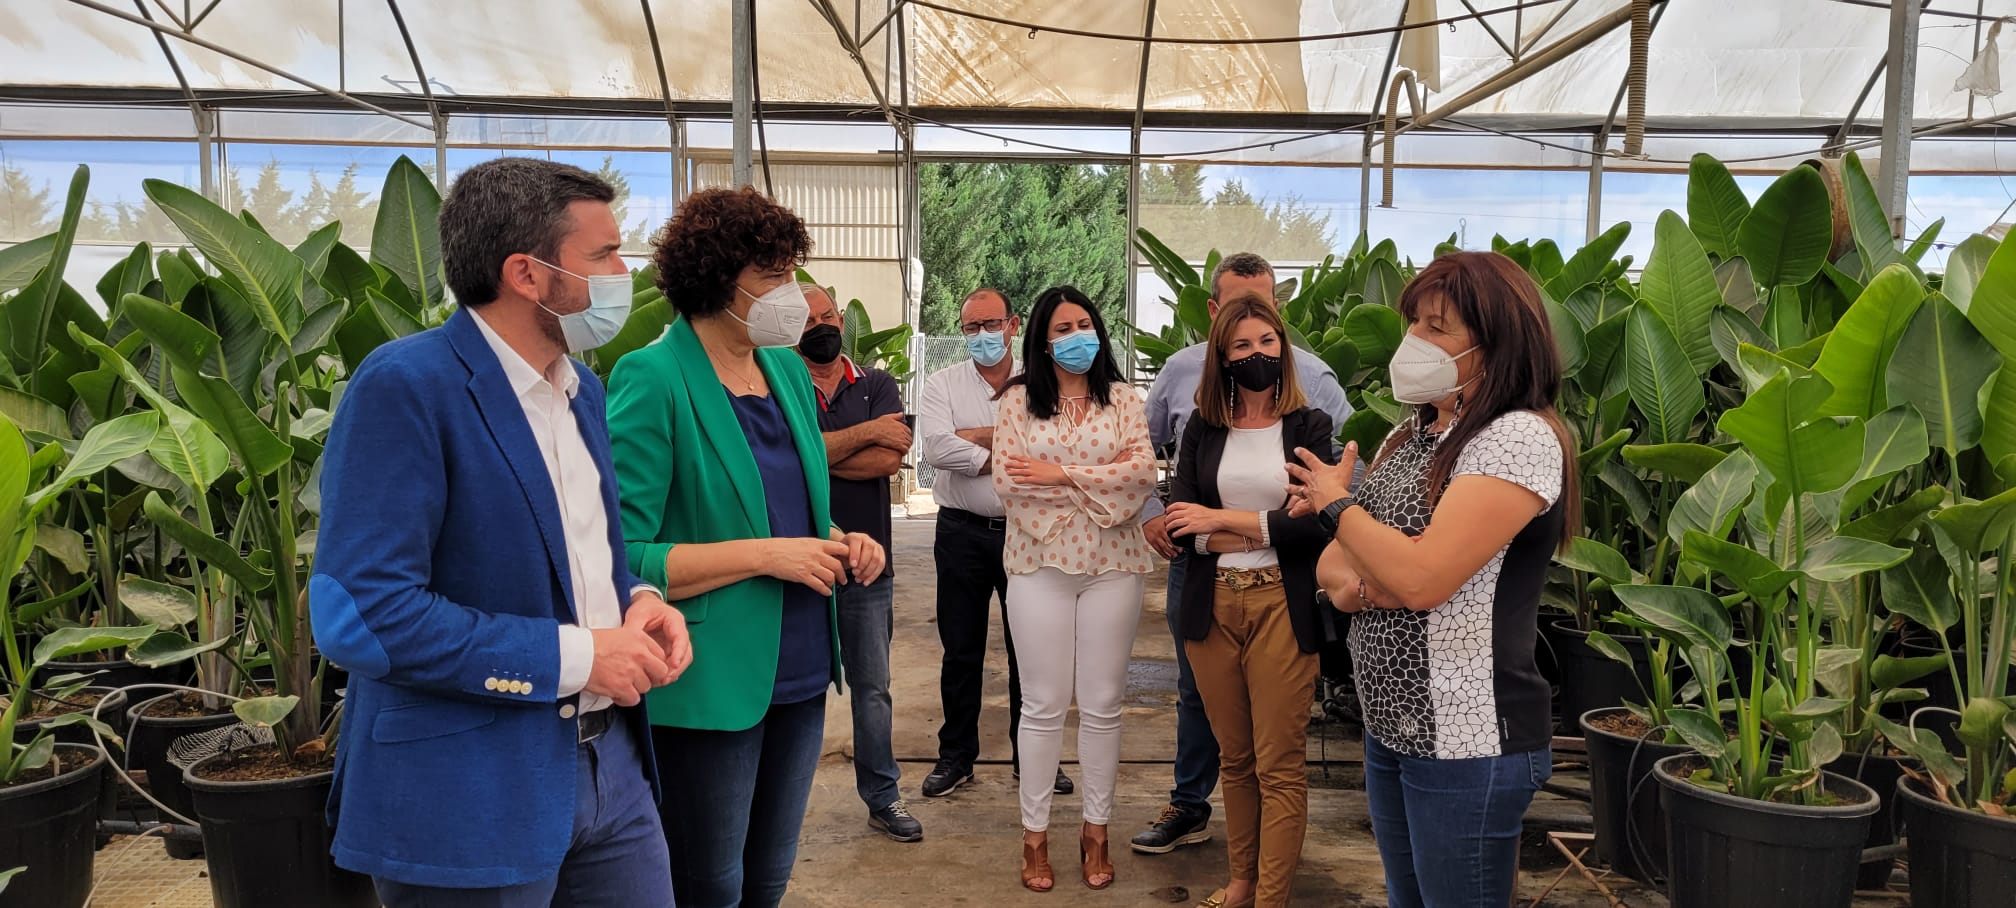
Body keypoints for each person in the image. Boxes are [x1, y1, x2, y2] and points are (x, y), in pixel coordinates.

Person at [311, 157, 690, 907]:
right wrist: (581, 655)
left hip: (608, 773)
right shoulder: (408, 386)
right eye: (603, 254)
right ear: (526, 272)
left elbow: (579, 554)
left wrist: (637, 600)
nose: (626, 273)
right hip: (467, 792)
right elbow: (364, 616)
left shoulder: (583, 394)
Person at [606, 187, 888, 908]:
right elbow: (623, 555)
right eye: (773, 276)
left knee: (766, 880)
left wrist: (838, 538)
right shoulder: (654, 377)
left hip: (798, 667)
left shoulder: (786, 369)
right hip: (708, 681)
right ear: (716, 278)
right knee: (710, 885)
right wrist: (767, 555)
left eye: (792, 272)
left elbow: (787, 508)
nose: (791, 294)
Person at [1286, 251, 1578, 908]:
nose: (1414, 339)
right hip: (1393, 729)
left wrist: (1338, 506)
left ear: (1496, 343)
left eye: (1436, 326)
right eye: (1413, 322)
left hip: (1468, 743)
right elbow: (1339, 563)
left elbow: (1419, 579)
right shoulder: (1414, 433)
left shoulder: (1516, 439)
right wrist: (1364, 581)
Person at [1134, 252, 1355, 857]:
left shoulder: (1315, 386)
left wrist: (1224, 523)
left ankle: (1269, 865)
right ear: (1214, 314)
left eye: (1266, 318)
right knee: (1196, 694)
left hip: (1283, 589)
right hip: (1202, 577)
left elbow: (1327, 500)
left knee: (1275, 737)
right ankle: (1189, 803)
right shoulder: (1183, 378)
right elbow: (1150, 460)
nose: (1254, 339)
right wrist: (1164, 518)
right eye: (1237, 318)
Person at [1162, 294, 1337, 908]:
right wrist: (1256, 525)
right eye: (1241, 346)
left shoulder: (1309, 427)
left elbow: (1316, 523)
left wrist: (1224, 521)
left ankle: (1272, 896)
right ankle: (1241, 881)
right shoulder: (1205, 429)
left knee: (1279, 764)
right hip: (1213, 607)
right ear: (1222, 355)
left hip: (1279, 607)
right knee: (1235, 759)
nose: (1256, 354)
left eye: (1267, 342)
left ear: (1282, 350)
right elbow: (1183, 524)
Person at [993, 286, 1156, 893]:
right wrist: (1095, 494)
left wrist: (1062, 474)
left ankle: (1097, 828)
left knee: (1103, 703)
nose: (1074, 336)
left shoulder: (1123, 399)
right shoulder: (1016, 403)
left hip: (1114, 566)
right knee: (1041, 705)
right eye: (1062, 328)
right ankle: (1033, 836)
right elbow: (1011, 483)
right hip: (1038, 567)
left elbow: (1141, 474)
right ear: (1041, 338)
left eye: (1084, 324)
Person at [917, 288, 1074, 801]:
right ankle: (956, 756)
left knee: (1029, 651)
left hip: (1028, 534)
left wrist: (980, 435)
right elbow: (938, 446)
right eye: (971, 327)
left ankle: (1033, 758)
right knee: (960, 650)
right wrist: (1013, 450)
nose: (982, 336)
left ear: (1013, 324)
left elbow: (1056, 447)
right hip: (960, 532)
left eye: (991, 324)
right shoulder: (941, 383)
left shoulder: (1044, 384)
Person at [793, 282, 922, 843]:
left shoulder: (876, 382)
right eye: (805, 321)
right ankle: (783, 801)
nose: (820, 327)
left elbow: (888, 460)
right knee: (796, 688)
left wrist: (812, 453)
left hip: (869, 566)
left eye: (826, 315)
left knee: (873, 688)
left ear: (840, 317)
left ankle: (883, 796)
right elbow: (786, 457)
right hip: (798, 560)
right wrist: (866, 432)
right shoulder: (779, 385)